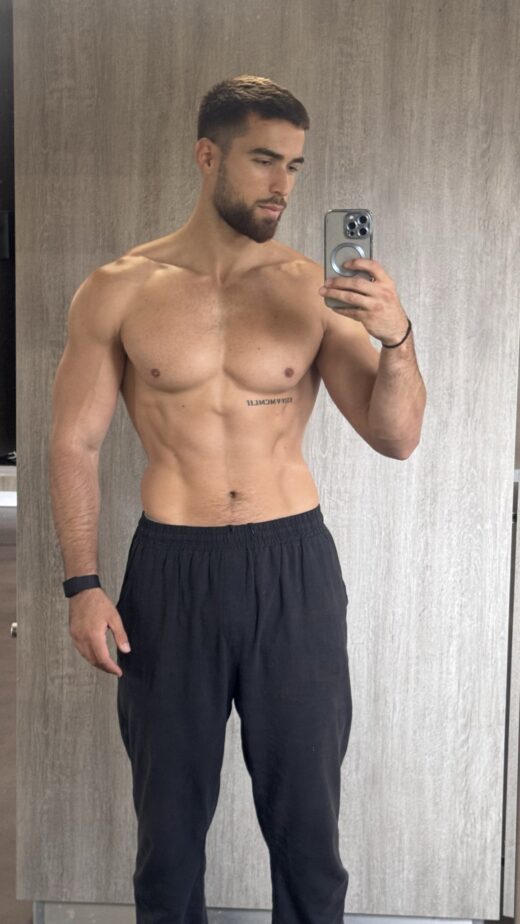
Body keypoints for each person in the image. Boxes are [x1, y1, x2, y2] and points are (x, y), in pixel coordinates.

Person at [49, 75, 426, 924]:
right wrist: (82, 585)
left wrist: (396, 338)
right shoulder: (120, 288)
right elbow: (74, 442)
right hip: (171, 574)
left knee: (307, 832)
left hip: (291, 570)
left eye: (294, 165)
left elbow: (397, 436)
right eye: (263, 160)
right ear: (207, 156)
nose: (282, 185)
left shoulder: (312, 288)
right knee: (168, 837)